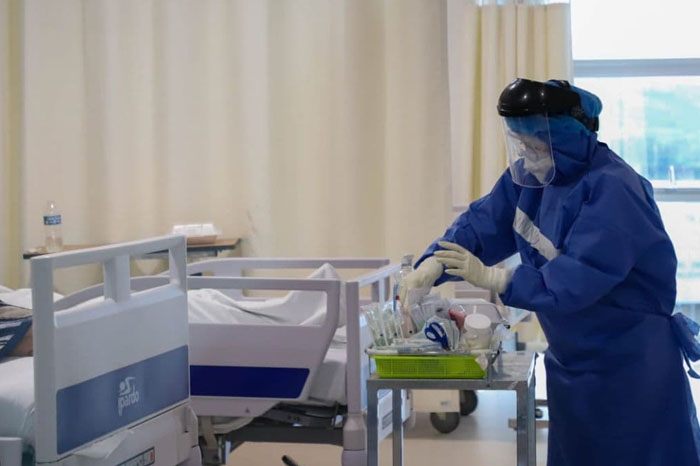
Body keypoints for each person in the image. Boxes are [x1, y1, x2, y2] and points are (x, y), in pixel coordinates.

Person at [399, 78, 700, 466]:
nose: (528, 156)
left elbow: (578, 277)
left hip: (628, 365)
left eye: (537, 146)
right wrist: (434, 264)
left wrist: (500, 279)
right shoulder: (532, 178)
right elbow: (484, 222)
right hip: (571, 358)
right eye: (521, 144)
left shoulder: (614, 189)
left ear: (567, 139)